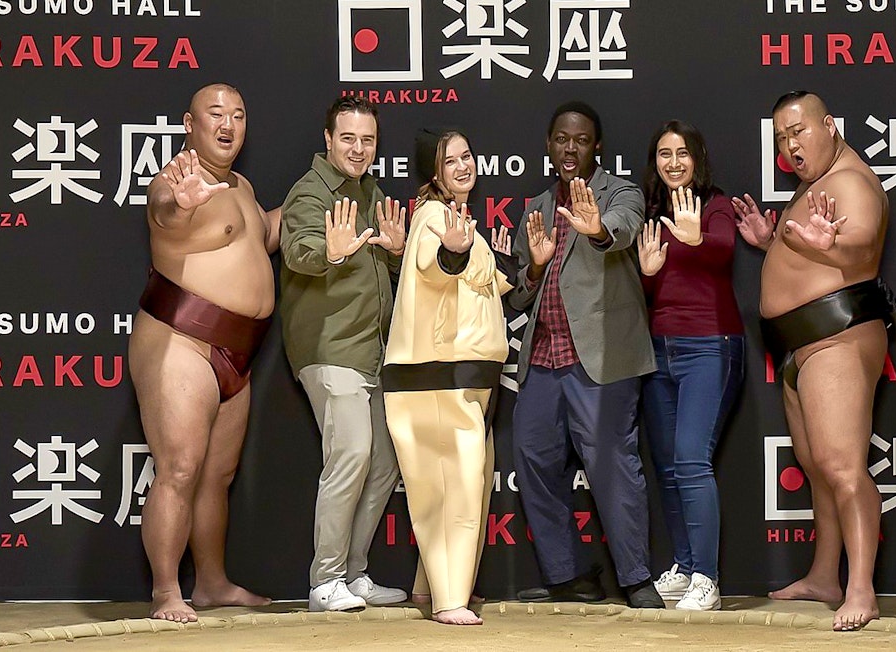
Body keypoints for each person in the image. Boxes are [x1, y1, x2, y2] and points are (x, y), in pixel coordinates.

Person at [733, 91, 892, 631]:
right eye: (781, 136)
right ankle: (825, 575)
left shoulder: (849, 180)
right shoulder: (815, 184)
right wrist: (770, 240)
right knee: (819, 467)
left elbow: (860, 243)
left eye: (798, 131)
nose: (790, 144)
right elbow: (811, 249)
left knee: (843, 467)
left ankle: (861, 590)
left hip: (837, 337)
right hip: (802, 345)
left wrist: (834, 247)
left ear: (830, 124)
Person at [128, 83, 279, 623]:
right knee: (180, 468)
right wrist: (180, 201)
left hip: (238, 352)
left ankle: (211, 584)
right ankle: (166, 592)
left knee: (217, 476)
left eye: (238, 115)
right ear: (189, 125)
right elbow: (167, 213)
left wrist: (317, 198)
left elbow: (259, 236)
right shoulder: (172, 181)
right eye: (216, 114)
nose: (229, 123)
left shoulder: (241, 185)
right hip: (181, 339)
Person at [509, 101, 664, 609]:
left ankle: (637, 579)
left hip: (601, 359)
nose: (570, 148)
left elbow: (618, 230)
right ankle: (567, 575)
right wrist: (532, 270)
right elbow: (518, 294)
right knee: (533, 459)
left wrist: (594, 228)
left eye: (580, 139)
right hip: (544, 358)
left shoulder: (620, 192)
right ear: (549, 145)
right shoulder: (533, 207)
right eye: (561, 139)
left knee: (612, 466)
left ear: (596, 146)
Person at [279, 95, 408, 612]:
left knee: (383, 463)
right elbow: (299, 251)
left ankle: (353, 574)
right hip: (330, 348)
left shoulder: (372, 192)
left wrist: (395, 254)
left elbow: (383, 277)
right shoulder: (309, 194)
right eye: (348, 138)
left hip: (371, 352)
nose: (358, 148)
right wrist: (327, 252)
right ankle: (324, 580)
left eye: (368, 140)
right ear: (328, 139)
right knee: (352, 453)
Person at [383, 128, 516, 625]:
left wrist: (507, 260)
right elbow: (434, 267)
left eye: (467, 155)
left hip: (463, 378)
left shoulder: (460, 220)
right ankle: (449, 599)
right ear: (433, 171)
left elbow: (482, 286)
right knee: (453, 485)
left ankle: (431, 586)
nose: (463, 166)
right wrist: (455, 252)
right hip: (436, 377)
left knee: (464, 483)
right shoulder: (433, 216)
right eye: (451, 160)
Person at [637, 120, 744, 611]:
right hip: (658, 352)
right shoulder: (651, 213)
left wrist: (697, 237)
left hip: (709, 346)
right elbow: (653, 291)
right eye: (664, 153)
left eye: (682, 153)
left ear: (697, 159)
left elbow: (722, 251)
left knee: (690, 460)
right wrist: (648, 276)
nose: (673, 162)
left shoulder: (715, 205)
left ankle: (707, 577)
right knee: (666, 466)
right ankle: (683, 566)